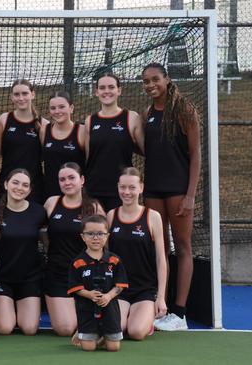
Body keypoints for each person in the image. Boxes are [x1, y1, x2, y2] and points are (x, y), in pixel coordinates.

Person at [141, 63, 201, 331]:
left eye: (155, 79)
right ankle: (160, 305)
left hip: (178, 189)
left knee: (183, 247)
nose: (151, 85)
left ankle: (179, 313)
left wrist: (190, 195)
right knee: (160, 248)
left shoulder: (184, 110)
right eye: (146, 81)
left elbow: (196, 155)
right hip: (153, 189)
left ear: (167, 79)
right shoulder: (148, 112)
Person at [0, 168, 46, 335]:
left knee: (30, 329)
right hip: (2, 279)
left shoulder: (39, 212)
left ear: (30, 190)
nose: (20, 188)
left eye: (25, 185)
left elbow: (47, 244)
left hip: (29, 279)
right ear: (6, 184)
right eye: (15, 183)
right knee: (5, 328)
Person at [44, 162, 104, 337]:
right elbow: (42, 234)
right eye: (62, 179)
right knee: (66, 329)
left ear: (82, 180)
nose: (67, 182)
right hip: (57, 275)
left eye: (72, 178)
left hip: (86, 276)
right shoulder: (51, 203)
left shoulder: (93, 208)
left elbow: (103, 246)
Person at [107, 167, 167, 340]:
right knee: (117, 330)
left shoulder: (152, 217)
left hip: (145, 290)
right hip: (119, 289)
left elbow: (161, 259)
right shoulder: (111, 215)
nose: (127, 192)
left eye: (132, 187)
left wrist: (161, 298)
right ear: (118, 187)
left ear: (141, 187)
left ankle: (146, 321)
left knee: (136, 332)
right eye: (123, 187)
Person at [84, 73, 144, 211]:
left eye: (111, 87)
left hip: (122, 190)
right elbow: (88, 157)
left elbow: (147, 150)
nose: (107, 91)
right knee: (96, 231)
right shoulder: (90, 121)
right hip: (94, 190)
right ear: (96, 92)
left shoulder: (131, 117)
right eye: (102, 87)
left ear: (119, 90)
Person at [68, 214, 128, 352]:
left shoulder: (114, 260)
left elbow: (120, 285)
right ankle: (83, 333)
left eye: (100, 234)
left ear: (107, 236)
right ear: (83, 237)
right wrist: (89, 294)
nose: (96, 238)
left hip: (110, 310)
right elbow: (74, 287)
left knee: (113, 348)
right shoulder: (78, 262)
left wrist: (108, 296)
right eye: (90, 234)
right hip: (87, 311)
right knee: (88, 348)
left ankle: (103, 336)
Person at [0, 80, 46, 203]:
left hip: (33, 185)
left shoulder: (43, 124)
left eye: (25, 93)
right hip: (8, 183)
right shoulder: (4, 119)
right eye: (17, 94)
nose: (21, 98)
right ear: (11, 97)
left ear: (32, 94)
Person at [41, 91, 85, 198]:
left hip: (76, 195)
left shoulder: (82, 131)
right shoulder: (44, 131)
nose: (57, 111)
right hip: (51, 194)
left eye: (61, 107)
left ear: (71, 108)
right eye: (53, 108)